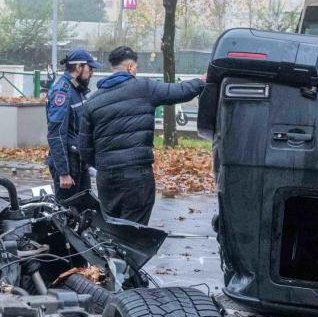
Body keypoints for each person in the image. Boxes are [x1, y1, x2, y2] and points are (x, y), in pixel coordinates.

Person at [78, 46, 204, 224]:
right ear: (130, 67)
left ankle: (112, 252)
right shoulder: (144, 88)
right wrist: (201, 81)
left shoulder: (92, 102)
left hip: (106, 177)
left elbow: (84, 149)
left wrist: (104, 164)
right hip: (136, 175)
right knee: (134, 231)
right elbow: (180, 91)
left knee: (112, 229)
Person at [45, 49, 100, 200]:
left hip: (79, 163)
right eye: (90, 68)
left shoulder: (78, 90)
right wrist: (64, 173)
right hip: (68, 165)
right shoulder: (62, 93)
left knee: (84, 212)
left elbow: (79, 130)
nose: (92, 72)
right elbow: (56, 134)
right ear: (78, 67)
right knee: (67, 214)